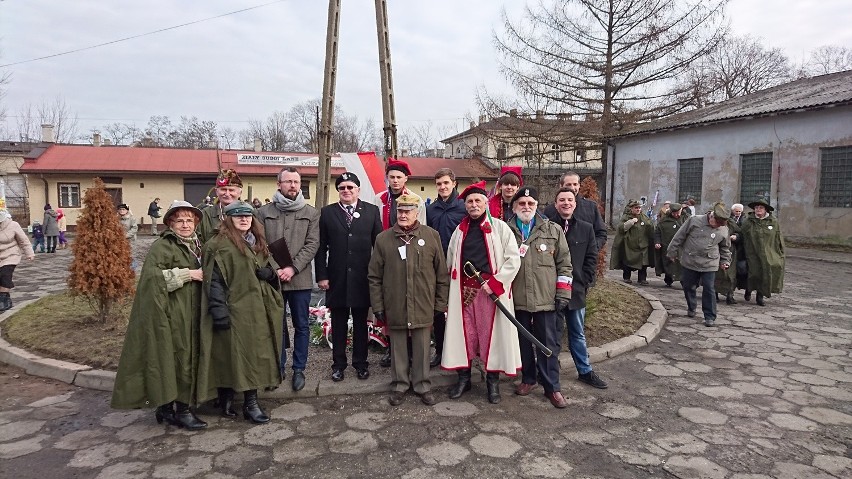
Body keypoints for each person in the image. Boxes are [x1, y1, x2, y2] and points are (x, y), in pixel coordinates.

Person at [111, 201, 207, 430]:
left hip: (194, 309)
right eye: (180, 221)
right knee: (179, 358)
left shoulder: (198, 244)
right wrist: (188, 274)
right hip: (173, 311)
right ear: (171, 224)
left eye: (189, 220)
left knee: (183, 357)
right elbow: (152, 278)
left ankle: (165, 409)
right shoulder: (162, 246)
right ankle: (180, 410)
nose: (185, 225)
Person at [198, 201, 284, 424]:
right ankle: (247, 403)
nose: (244, 220)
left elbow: (270, 267)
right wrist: (218, 310)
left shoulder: (257, 241)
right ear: (228, 219)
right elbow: (213, 280)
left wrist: (271, 274)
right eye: (238, 217)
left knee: (254, 352)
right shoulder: (218, 245)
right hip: (235, 308)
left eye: (248, 216)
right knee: (236, 354)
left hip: (258, 308)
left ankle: (245, 400)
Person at [442, 181, 521, 404]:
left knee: (490, 337)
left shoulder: (500, 228)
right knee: (464, 336)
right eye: (470, 202)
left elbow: (513, 260)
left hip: (489, 293)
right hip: (464, 292)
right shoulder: (460, 230)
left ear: (486, 203)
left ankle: (492, 383)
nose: (474, 205)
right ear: (465, 205)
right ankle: (464, 379)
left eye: (478, 201)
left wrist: (496, 283)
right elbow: (451, 260)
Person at [368, 193, 449, 406]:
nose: (403, 215)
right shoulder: (383, 239)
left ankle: (422, 385)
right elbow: (374, 276)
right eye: (400, 211)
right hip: (394, 302)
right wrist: (378, 306)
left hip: (423, 302)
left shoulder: (432, 236)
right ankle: (399, 385)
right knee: (398, 347)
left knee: (423, 346)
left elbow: (442, 274)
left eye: (407, 211)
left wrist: (440, 303)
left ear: (416, 213)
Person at [506, 187, 573, 408]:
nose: (526, 207)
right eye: (522, 203)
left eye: (530, 203)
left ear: (537, 206)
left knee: (548, 345)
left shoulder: (552, 230)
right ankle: (528, 379)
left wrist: (563, 293)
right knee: (523, 343)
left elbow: (565, 264)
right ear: (515, 207)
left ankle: (552, 387)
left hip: (546, 299)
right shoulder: (505, 231)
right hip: (517, 298)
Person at [316, 172, 382, 382]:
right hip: (337, 278)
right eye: (342, 188)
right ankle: (339, 365)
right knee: (339, 323)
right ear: (338, 191)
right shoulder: (327, 213)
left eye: (350, 187)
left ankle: (361, 364)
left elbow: (379, 246)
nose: (346, 191)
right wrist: (322, 275)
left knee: (362, 323)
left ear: (358, 190)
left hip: (363, 278)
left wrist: (378, 276)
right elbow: (320, 247)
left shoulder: (371, 212)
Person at [259, 167, 320, 392]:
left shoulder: (311, 213)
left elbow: (312, 244)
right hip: (273, 280)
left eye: (296, 181)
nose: (293, 186)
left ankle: (299, 369)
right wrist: (277, 269)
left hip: (300, 279)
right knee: (276, 325)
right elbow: (260, 243)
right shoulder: (264, 212)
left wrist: (292, 268)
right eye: (288, 182)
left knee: (302, 325)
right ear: (279, 184)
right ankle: (278, 368)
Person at [549, 188, 608, 389]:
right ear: (555, 204)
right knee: (553, 334)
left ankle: (585, 371)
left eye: (570, 200)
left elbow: (591, 256)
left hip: (576, 290)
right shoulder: (547, 227)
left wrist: (585, 281)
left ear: (575, 204)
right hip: (551, 292)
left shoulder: (585, 228)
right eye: (562, 200)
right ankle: (550, 373)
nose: (566, 203)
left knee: (577, 333)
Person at [374, 158, 426, 368]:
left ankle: (413, 349)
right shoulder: (380, 199)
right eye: (392, 177)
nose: (395, 181)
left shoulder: (416, 200)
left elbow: (423, 228)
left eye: (399, 177)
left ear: (406, 178)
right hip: (387, 253)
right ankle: (390, 348)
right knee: (391, 302)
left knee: (411, 303)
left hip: (410, 254)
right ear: (387, 178)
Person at [425, 167, 466, 368]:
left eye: (446, 183)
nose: (442, 187)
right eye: (439, 184)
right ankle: (440, 351)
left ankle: (462, 352)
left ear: (454, 183)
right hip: (436, 269)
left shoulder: (464, 207)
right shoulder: (431, 209)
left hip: (460, 267)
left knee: (460, 311)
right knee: (438, 311)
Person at [666, 202, 732, 327]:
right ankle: (692, 306)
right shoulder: (694, 221)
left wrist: (725, 261)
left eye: (720, 225)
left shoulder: (723, 229)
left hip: (710, 262)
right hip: (691, 260)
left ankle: (710, 316)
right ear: (711, 217)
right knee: (688, 285)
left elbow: (725, 248)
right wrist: (672, 252)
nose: (717, 226)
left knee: (709, 288)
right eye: (716, 223)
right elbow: (679, 237)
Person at [542, 171, 607, 251]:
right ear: (561, 186)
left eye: (575, 184)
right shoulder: (550, 210)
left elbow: (601, 233)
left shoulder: (591, 207)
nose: (572, 188)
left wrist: (592, 248)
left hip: (583, 259)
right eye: (568, 184)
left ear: (579, 186)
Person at [741, 199, 784, 306]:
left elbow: (778, 237)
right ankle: (749, 289)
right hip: (752, 252)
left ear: (765, 210)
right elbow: (742, 235)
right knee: (753, 273)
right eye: (756, 208)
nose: (758, 210)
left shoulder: (773, 221)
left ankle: (760, 296)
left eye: (761, 208)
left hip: (768, 252)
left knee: (765, 273)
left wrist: (780, 252)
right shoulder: (748, 221)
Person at [610, 199, 654, 284]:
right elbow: (621, 228)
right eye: (636, 208)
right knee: (628, 261)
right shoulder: (626, 217)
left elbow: (650, 227)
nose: (638, 210)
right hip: (629, 245)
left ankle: (642, 279)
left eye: (639, 208)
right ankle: (627, 277)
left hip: (642, 245)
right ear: (631, 209)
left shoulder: (644, 217)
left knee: (643, 263)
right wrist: (631, 222)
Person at [0, 210, 35, 311]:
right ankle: (5, 298)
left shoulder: (13, 225)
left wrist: (30, 253)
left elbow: (23, 240)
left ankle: (3, 299)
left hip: (11, 254)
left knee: (5, 274)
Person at [199, 169, 244, 242]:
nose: (227, 193)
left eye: (231, 190)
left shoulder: (250, 214)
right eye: (223, 189)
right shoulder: (205, 215)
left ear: (240, 193)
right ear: (216, 192)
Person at [715, 203, 744, 304]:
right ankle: (715, 294)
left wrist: (736, 237)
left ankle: (730, 295)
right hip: (716, 250)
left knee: (731, 274)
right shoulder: (713, 222)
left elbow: (740, 233)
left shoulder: (731, 222)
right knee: (717, 273)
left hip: (731, 251)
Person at [654, 203, 685, 287]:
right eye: (674, 213)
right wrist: (657, 242)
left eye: (678, 212)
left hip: (682, 247)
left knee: (681, 264)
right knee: (668, 263)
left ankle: (683, 281)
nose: (676, 214)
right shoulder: (664, 221)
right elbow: (657, 232)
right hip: (667, 245)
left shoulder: (686, 219)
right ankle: (668, 279)